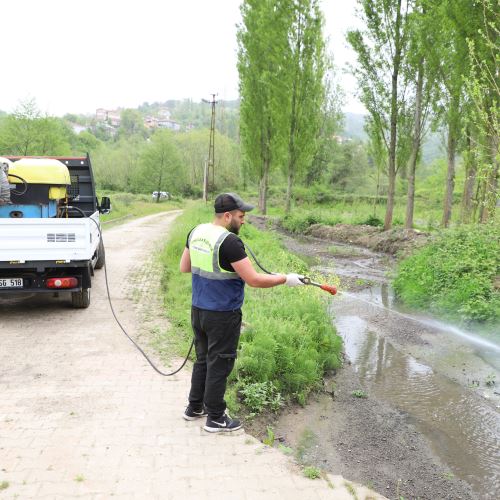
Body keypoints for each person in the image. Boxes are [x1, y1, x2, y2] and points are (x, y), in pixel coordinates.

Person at [179, 192, 304, 433]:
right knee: (220, 362)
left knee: (203, 359)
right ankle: (215, 418)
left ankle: (194, 407)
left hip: (198, 311)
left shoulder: (196, 232)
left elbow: (184, 267)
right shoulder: (230, 242)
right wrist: (286, 279)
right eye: (241, 216)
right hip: (223, 314)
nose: (244, 221)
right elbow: (254, 280)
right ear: (227, 216)